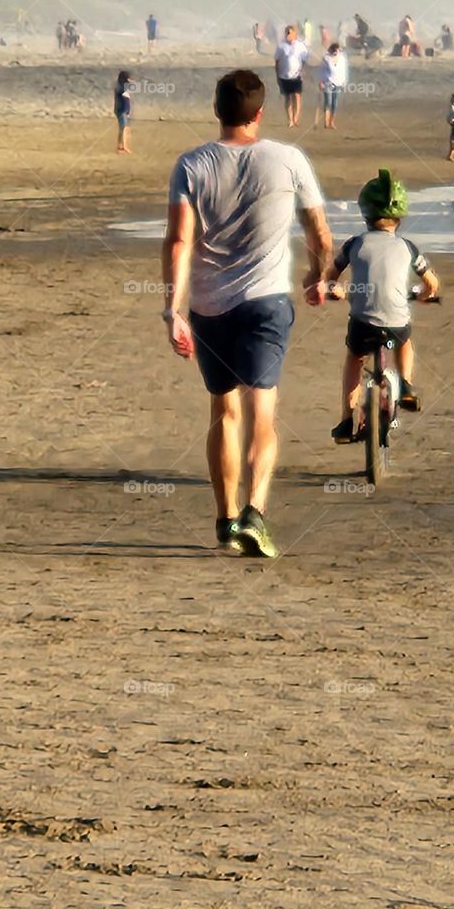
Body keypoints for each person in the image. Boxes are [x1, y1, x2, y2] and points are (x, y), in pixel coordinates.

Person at [163, 69, 332, 558]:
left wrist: (171, 310)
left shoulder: (191, 165)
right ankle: (255, 512)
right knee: (263, 410)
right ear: (260, 113)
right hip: (266, 302)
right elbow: (318, 233)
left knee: (224, 410)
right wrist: (320, 278)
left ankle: (225, 518)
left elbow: (179, 241)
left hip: (209, 306)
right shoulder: (288, 158)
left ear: (217, 112)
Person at [327, 169, 440, 443]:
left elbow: (331, 278)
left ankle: (346, 419)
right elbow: (432, 283)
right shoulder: (408, 247)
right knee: (404, 340)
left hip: (362, 323)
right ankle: (407, 385)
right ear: (399, 217)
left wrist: (338, 291)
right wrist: (424, 295)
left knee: (354, 357)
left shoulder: (354, 244)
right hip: (396, 323)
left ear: (365, 214)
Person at [274, 24, 308, 127]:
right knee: (287, 98)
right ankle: (290, 120)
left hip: (297, 76)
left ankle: (296, 118)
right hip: (284, 76)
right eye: (287, 32)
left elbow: (305, 60)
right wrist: (277, 75)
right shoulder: (281, 46)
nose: (288, 34)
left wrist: (303, 71)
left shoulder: (300, 45)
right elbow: (277, 61)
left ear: (295, 34)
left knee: (297, 97)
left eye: (290, 32)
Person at [318, 42, 348, 129]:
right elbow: (321, 71)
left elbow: (344, 71)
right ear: (331, 50)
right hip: (328, 82)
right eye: (334, 50)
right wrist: (321, 81)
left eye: (337, 50)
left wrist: (344, 81)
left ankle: (332, 122)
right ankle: (326, 122)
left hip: (338, 83)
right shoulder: (326, 59)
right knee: (328, 102)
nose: (336, 52)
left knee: (335, 104)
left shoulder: (342, 59)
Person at [114, 70, 133, 154]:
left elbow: (126, 100)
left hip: (122, 110)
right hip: (122, 111)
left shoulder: (122, 87)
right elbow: (125, 100)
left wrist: (128, 111)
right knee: (124, 129)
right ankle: (123, 147)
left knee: (124, 128)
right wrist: (126, 111)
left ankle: (120, 146)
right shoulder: (122, 88)